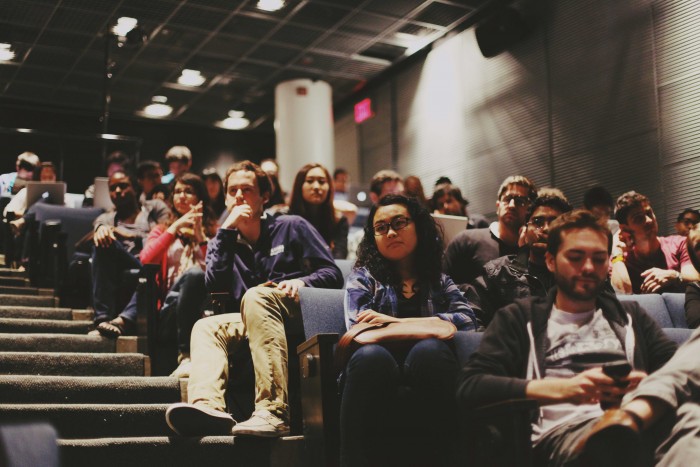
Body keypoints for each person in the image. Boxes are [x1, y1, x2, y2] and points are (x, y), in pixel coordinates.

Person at [457, 209, 677, 466]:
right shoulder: (519, 318)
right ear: (550, 261)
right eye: (575, 257)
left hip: (641, 424)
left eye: (598, 259)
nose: (587, 267)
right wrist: (565, 389)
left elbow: (678, 368)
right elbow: (471, 387)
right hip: (566, 435)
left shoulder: (630, 316)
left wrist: (641, 394)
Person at [165, 161, 343, 438]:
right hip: (253, 316)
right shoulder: (223, 239)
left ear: (264, 197)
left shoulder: (291, 225)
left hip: (296, 308)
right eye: (232, 190)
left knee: (257, 295)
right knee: (206, 327)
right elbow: (215, 287)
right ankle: (207, 408)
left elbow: (332, 273)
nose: (238, 196)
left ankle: (273, 411)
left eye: (246, 190)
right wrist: (226, 232)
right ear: (224, 197)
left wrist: (302, 281)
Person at [342, 194, 477, 467]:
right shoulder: (363, 278)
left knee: (430, 352)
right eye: (381, 227)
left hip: (429, 363)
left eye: (399, 222)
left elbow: (467, 320)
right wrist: (433, 326)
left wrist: (395, 324)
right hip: (374, 364)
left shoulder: (439, 280)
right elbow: (360, 329)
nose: (390, 232)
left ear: (418, 227)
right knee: (372, 356)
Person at [139, 174, 216, 378]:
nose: (182, 196)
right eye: (178, 192)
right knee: (193, 275)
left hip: (206, 306)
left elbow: (217, 272)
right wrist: (174, 228)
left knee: (197, 275)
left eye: (188, 191)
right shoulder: (162, 230)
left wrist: (200, 237)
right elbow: (145, 259)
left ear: (200, 199)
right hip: (170, 308)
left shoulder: (214, 233)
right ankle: (186, 356)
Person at [470, 193, 573, 326]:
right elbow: (472, 321)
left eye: (555, 223)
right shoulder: (498, 272)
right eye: (537, 222)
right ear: (525, 229)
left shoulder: (578, 274)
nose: (546, 228)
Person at [90, 171, 171, 337]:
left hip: (148, 259)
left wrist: (132, 235)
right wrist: (103, 230)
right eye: (113, 188)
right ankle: (102, 319)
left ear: (135, 188)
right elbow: (95, 231)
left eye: (123, 186)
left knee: (149, 271)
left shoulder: (154, 208)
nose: (118, 191)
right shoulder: (106, 218)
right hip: (123, 261)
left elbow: (167, 232)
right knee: (100, 243)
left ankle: (123, 321)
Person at [444, 175, 537, 286]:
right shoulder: (465, 241)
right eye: (507, 199)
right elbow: (439, 286)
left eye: (520, 201)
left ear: (530, 210)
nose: (512, 205)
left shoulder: (534, 252)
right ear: (498, 206)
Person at [610, 191, 699, 294]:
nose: (649, 220)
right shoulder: (620, 260)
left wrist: (674, 276)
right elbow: (622, 293)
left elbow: (695, 278)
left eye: (649, 213)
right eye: (639, 218)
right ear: (625, 229)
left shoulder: (678, 244)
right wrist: (616, 252)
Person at [288, 163, 349, 259]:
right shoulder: (285, 218)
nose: (316, 186)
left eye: (321, 181)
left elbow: (339, 259)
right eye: (309, 181)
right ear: (299, 186)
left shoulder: (339, 220)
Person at [346, 169, 404, 261]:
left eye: (401, 194)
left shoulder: (410, 231)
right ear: (374, 197)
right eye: (392, 194)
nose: (399, 200)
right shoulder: (359, 239)